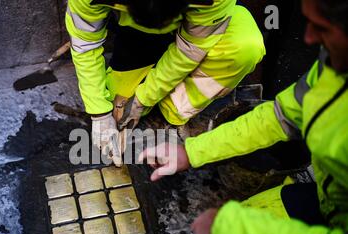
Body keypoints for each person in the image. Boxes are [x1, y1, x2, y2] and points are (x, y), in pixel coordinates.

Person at [139, 0, 348, 234]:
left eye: (323, 27)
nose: (310, 37)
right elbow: (278, 118)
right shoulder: (333, 69)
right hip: (329, 202)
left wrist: (230, 228)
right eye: (309, 22)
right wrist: (191, 151)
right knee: (248, 213)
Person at [65, 0, 265, 163]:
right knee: (117, 112)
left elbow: (189, 51)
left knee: (244, 47)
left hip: (204, 32)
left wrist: (143, 99)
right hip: (136, 37)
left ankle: (171, 112)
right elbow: (85, 45)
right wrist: (99, 112)